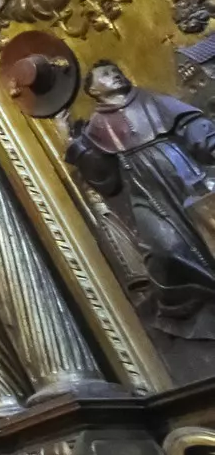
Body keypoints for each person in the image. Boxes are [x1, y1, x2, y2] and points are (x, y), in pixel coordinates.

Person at [67, 61, 215, 338]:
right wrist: (78, 146)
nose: (115, 74)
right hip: (145, 189)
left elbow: (187, 123)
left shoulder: (149, 99)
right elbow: (104, 177)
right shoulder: (97, 125)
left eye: (115, 71)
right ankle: (190, 307)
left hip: (180, 173)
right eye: (106, 75)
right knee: (165, 248)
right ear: (93, 91)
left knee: (208, 230)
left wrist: (208, 140)